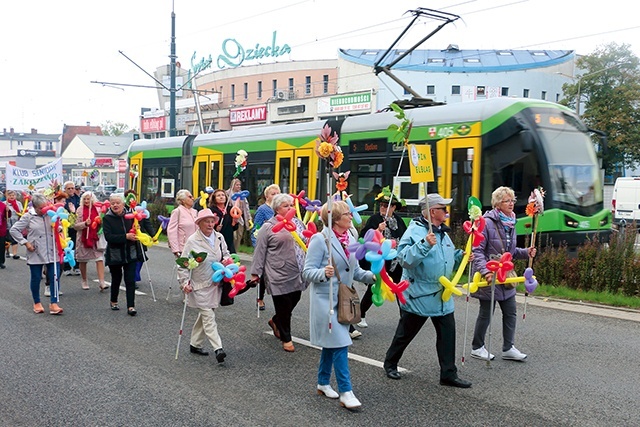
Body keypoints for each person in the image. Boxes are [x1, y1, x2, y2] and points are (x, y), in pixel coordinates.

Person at [383, 194, 472, 388]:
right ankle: (390, 362)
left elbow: (445, 258)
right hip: (420, 294)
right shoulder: (415, 231)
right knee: (405, 333)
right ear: (433, 212)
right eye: (443, 208)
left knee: (448, 335)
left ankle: (448, 374)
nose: (447, 212)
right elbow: (404, 259)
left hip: (442, 294)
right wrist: (424, 244)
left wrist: (461, 256)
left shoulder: (442, 233)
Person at [302, 200, 376, 410]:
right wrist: (322, 273)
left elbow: (355, 270)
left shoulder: (351, 237)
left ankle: (323, 382)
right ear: (334, 218)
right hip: (326, 302)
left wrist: (372, 277)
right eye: (346, 213)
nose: (351, 215)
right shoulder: (320, 239)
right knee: (341, 343)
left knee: (331, 343)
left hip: (344, 300)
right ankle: (346, 391)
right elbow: (307, 272)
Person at [470, 186, 536, 362]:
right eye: (508, 201)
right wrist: (485, 272)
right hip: (489, 274)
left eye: (513, 200)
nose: (512, 204)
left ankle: (508, 347)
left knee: (511, 311)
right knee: (486, 312)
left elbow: (511, 251)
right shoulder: (486, 222)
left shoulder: (511, 221)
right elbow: (477, 251)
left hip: (506, 275)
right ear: (498, 204)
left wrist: (526, 252)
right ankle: (477, 347)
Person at [251, 193, 307, 353]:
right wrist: (256, 273)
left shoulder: (298, 224)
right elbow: (259, 252)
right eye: (285, 206)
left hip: (296, 270)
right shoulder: (268, 227)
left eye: (291, 205)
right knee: (284, 305)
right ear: (276, 209)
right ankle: (286, 338)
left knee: (295, 298)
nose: (290, 208)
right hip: (277, 272)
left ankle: (276, 321)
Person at [178, 208, 231, 363]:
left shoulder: (219, 237)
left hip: (216, 284)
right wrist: (184, 283)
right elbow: (184, 264)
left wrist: (227, 261)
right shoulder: (192, 241)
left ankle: (195, 343)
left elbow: (226, 253)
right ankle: (218, 348)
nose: (210, 224)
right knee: (209, 317)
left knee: (205, 314)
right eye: (206, 221)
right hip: (199, 285)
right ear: (199, 224)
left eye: (211, 221)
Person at [356, 191, 407, 329]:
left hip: (395, 262)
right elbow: (364, 237)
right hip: (379, 261)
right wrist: (377, 229)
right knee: (374, 288)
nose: (383, 208)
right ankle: (361, 314)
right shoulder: (374, 219)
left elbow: (404, 237)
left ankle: (404, 318)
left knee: (399, 288)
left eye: (386, 206)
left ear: (394, 207)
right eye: (382, 205)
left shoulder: (399, 221)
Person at [10, 193, 64, 314]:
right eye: (40, 208)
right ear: (34, 207)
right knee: (36, 278)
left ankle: (54, 303)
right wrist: (25, 242)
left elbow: (59, 225)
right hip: (36, 251)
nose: (43, 210)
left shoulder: (51, 214)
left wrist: (59, 228)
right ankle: (37, 302)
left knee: (54, 277)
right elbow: (14, 230)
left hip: (52, 250)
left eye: (45, 206)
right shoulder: (28, 216)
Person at [103, 194, 144, 316]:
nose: (115, 205)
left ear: (123, 204)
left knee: (130, 279)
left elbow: (136, 229)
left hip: (130, 251)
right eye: (113, 203)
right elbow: (108, 237)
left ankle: (131, 306)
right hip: (115, 253)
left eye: (118, 203)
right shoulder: (107, 218)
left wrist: (137, 230)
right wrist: (125, 237)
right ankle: (114, 300)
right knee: (116, 278)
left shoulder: (131, 215)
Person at [250, 183, 281, 311]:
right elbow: (256, 228)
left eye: (277, 193)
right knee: (263, 274)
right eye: (273, 194)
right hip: (265, 245)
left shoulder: (281, 209)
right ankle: (260, 298)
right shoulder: (263, 209)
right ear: (266, 196)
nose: (275, 196)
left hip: (278, 246)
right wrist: (256, 244)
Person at [72, 191, 108, 291]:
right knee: (83, 260)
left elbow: (103, 222)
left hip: (95, 238)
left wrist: (100, 223)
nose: (86, 201)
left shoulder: (98, 209)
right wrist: (85, 224)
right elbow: (75, 226)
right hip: (83, 238)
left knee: (99, 259)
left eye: (88, 199)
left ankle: (102, 281)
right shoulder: (79, 210)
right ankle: (84, 280)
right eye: (85, 199)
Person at [167, 189, 198, 258]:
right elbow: (172, 231)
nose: (193, 198)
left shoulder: (195, 212)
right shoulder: (177, 211)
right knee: (184, 268)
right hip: (183, 248)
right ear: (183, 200)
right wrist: (176, 250)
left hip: (196, 247)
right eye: (190, 197)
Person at [209, 189, 239, 254]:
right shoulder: (211, 210)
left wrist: (235, 223)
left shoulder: (230, 209)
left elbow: (234, 228)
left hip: (229, 239)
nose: (221, 197)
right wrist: (215, 229)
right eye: (218, 195)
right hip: (217, 240)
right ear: (214, 199)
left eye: (223, 195)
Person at [228, 178, 252, 250]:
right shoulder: (227, 194)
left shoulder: (243, 195)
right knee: (233, 236)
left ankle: (236, 251)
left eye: (239, 185)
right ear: (232, 185)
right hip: (231, 218)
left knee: (239, 236)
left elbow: (246, 208)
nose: (239, 187)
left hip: (240, 218)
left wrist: (249, 218)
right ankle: (230, 251)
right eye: (237, 185)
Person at [62, 181, 81, 276]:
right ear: (65, 189)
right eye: (68, 188)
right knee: (66, 247)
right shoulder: (62, 199)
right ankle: (66, 267)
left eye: (72, 188)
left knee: (76, 246)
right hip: (65, 226)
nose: (71, 190)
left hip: (75, 226)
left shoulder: (78, 199)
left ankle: (77, 266)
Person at [5, 190, 23, 260]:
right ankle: (7, 251)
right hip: (7, 223)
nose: (12, 197)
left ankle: (15, 254)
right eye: (10, 195)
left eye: (13, 195)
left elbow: (21, 212)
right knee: (7, 239)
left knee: (14, 239)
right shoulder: (5, 203)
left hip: (16, 223)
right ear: (7, 196)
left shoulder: (18, 203)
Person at [0, 197, 9, 269]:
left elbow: (7, 216)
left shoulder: (3, 205)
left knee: (1, 246)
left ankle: (1, 262)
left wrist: (8, 211)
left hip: (1, 229)